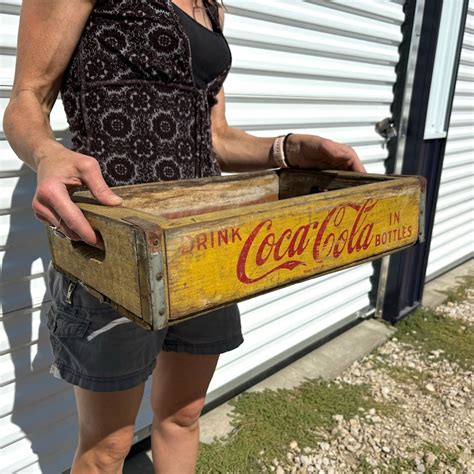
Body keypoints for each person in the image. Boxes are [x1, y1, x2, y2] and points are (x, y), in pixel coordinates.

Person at [3, 0, 366, 472]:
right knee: (107, 447)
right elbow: (26, 99)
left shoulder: (212, 9)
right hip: (112, 246)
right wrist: (46, 153)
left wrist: (288, 149)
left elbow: (215, 137)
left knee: (183, 415)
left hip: (203, 241)